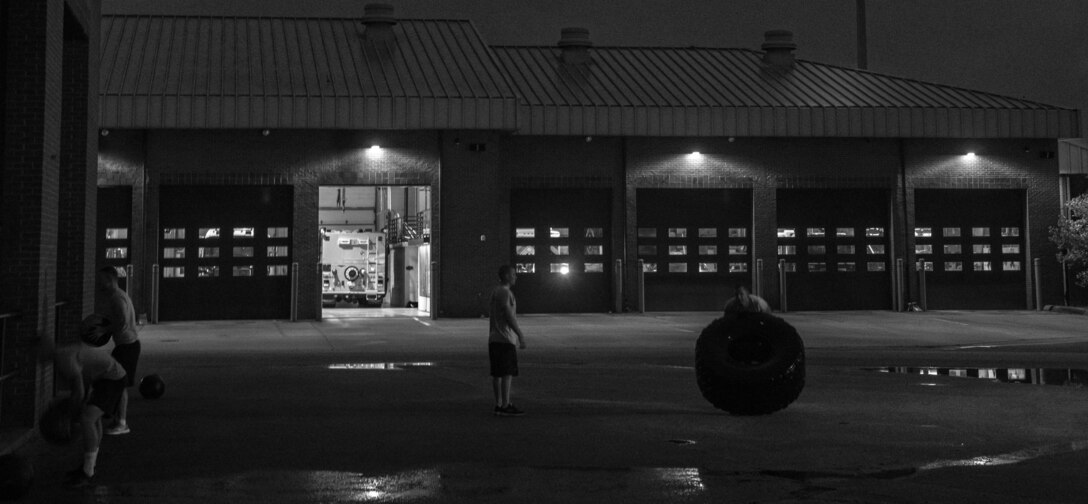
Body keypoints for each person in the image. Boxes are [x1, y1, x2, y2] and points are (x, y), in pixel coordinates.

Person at [53, 340, 128, 488]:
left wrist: (68, 416)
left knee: (87, 419)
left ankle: (87, 472)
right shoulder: (66, 353)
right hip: (104, 379)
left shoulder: (64, 357)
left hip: (112, 378)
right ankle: (89, 466)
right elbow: (83, 384)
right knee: (93, 419)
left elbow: (79, 392)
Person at [95, 266, 140, 435]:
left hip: (127, 346)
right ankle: (115, 416)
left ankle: (122, 423)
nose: (99, 283)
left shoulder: (116, 298)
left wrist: (103, 330)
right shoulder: (120, 295)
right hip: (126, 345)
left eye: (101, 280)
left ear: (109, 279)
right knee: (115, 381)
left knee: (120, 384)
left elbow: (122, 323)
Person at [488, 265, 527, 417]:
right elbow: (509, 316)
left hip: (494, 338)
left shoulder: (496, 291)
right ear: (505, 276)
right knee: (507, 374)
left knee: (497, 374)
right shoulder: (505, 293)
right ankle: (506, 404)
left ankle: (498, 404)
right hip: (505, 339)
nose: (515, 277)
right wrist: (520, 334)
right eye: (513, 274)